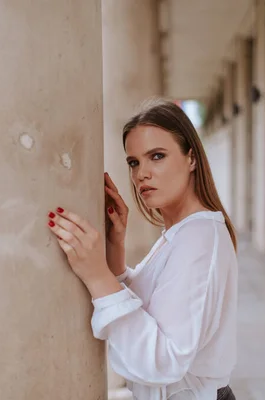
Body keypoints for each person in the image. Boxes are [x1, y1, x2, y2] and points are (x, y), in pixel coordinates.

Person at [46, 99, 238, 400]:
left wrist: (98, 277)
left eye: (157, 156)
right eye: (134, 162)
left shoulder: (200, 236)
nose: (141, 174)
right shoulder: (181, 233)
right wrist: (114, 248)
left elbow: (164, 360)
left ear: (192, 159)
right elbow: (158, 309)